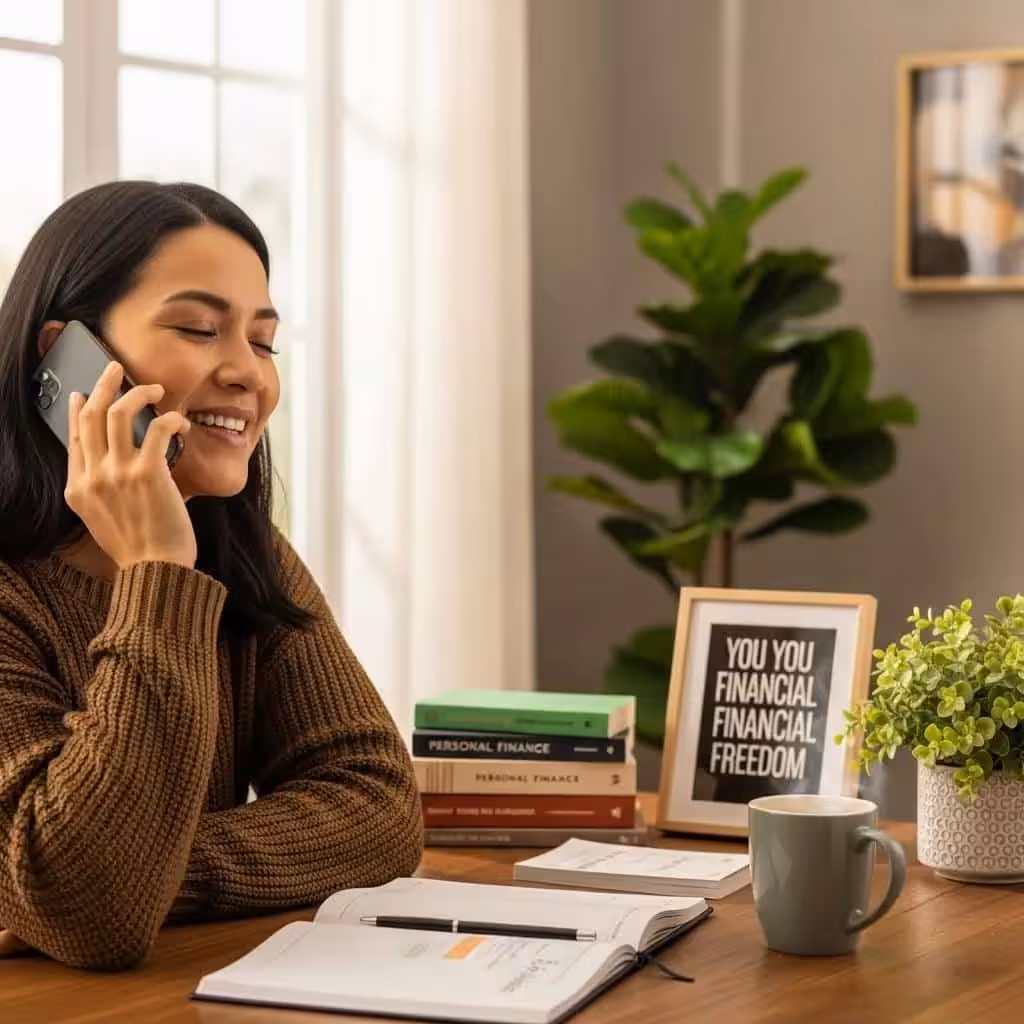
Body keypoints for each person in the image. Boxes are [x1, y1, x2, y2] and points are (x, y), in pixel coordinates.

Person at [0, 181, 423, 971]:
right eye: (198, 328)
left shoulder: (243, 550)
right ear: (65, 357)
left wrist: (144, 872)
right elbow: (90, 912)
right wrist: (157, 571)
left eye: (262, 342)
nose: (248, 376)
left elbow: (380, 806)